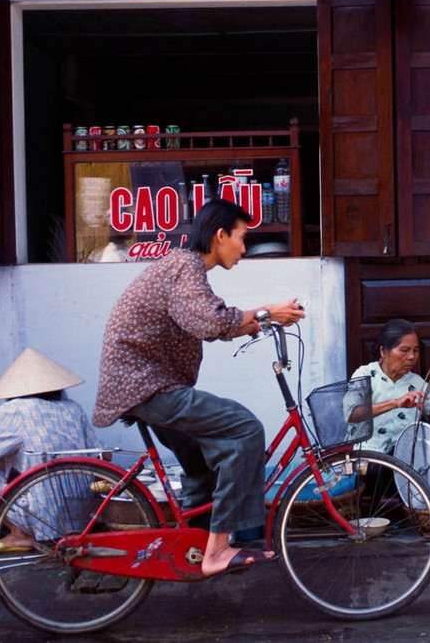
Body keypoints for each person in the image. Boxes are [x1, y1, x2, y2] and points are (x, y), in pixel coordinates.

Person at [93, 199, 305, 578]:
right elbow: (212, 322)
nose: (244, 248)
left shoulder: (184, 269)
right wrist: (267, 312)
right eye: (242, 238)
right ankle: (219, 550)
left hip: (146, 385)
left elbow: (211, 323)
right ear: (220, 235)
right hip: (146, 386)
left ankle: (193, 547)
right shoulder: (185, 266)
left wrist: (264, 321)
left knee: (200, 461)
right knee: (244, 429)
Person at [0, 348, 103, 552]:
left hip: (42, 518)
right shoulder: (74, 408)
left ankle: (19, 534)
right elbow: (104, 456)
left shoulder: (15, 409)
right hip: (82, 517)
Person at [345, 318, 430, 454]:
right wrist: (396, 403)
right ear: (384, 351)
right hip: (366, 457)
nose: (411, 357)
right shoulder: (365, 375)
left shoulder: (418, 384)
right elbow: (351, 413)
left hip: (403, 459)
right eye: (404, 350)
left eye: (415, 350)